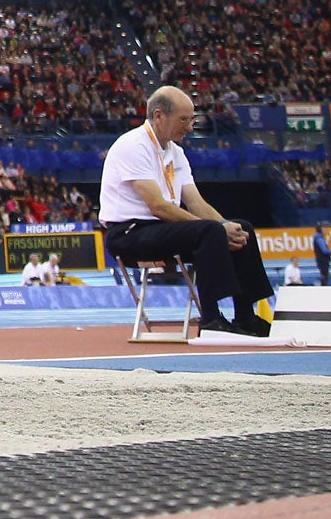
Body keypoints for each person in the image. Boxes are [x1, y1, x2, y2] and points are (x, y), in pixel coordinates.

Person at [99, 86, 275, 336]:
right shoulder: (133, 146)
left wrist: (226, 225)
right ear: (159, 116)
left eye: (191, 120)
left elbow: (196, 203)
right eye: (183, 119)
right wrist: (216, 229)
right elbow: (158, 206)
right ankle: (211, 318)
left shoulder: (175, 152)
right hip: (129, 233)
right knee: (209, 231)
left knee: (241, 228)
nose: (190, 127)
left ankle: (245, 316)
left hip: (161, 228)